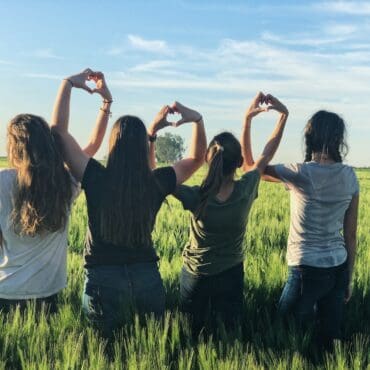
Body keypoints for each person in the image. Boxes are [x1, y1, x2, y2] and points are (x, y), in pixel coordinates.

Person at [51, 69, 207, 337]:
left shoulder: (95, 176)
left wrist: (68, 84)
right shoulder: (156, 182)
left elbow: (57, 133)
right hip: (148, 280)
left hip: (102, 281)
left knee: (106, 354)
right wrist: (197, 120)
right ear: (142, 148)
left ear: (112, 145)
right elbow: (196, 158)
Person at [173, 92, 289, 334]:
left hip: (196, 276)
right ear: (239, 163)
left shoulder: (196, 195)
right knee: (229, 336)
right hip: (231, 275)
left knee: (190, 337)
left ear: (208, 161)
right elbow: (265, 154)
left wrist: (153, 133)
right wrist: (281, 116)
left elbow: (157, 181)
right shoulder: (246, 188)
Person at [246, 110, 359, 350]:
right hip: (338, 268)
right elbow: (350, 235)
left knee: (281, 333)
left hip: (304, 270)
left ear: (310, 138)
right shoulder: (350, 176)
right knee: (328, 342)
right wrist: (348, 277)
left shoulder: (300, 172)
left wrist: (250, 118)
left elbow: (251, 168)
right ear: (339, 139)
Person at [0, 72, 112, 314]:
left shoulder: (2, 182)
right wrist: (104, 103)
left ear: (12, 147)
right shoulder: (64, 183)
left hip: (5, 291)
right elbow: (91, 146)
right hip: (47, 293)